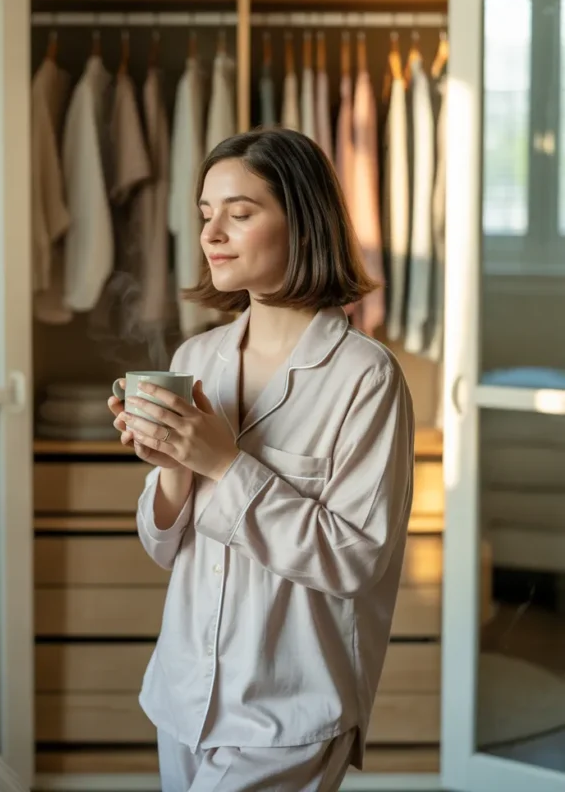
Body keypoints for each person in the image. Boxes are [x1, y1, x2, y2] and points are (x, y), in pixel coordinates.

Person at [108, 127, 414, 792]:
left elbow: (354, 560)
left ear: (301, 223)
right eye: (204, 215)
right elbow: (164, 549)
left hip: (287, 711)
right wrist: (171, 464)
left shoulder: (363, 377)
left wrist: (224, 464)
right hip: (182, 696)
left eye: (239, 214)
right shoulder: (195, 359)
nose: (212, 233)